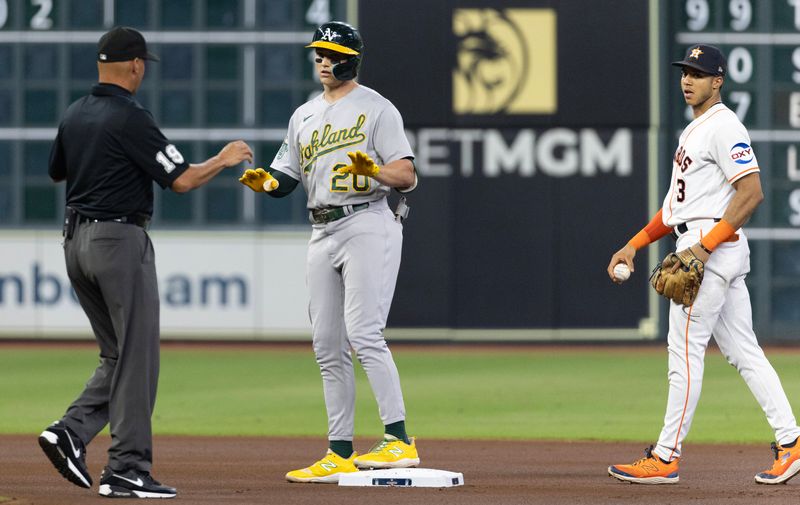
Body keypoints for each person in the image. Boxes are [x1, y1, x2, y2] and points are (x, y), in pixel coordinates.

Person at [40, 26, 253, 498]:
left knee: (117, 354)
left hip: (75, 242)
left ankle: (70, 431)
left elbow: (57, 171)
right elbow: (179, 179)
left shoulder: (75, 113)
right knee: (138, 358)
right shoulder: (130, 116)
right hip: (118, 240)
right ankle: (126, 468)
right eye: (142, 65)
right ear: (135, 65)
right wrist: (223, 158)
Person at [606, 44, 800, 485]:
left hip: (710, 245)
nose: (688, 79)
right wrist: (634, 244)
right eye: (685, 72)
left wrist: (704, 248)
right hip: (706, 241)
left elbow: (751, 193)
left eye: (699, 73)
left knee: (685, 353)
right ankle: (792, 442)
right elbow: (674, 209)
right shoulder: (693, 130)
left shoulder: (724, 126)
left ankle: (666, 456)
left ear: (718, 81)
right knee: (744, 351)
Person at [239, 21, 419, 484]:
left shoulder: (377, 108)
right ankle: (339, 449)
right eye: (317, 52)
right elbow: (286, 180)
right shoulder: (303, 115)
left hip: (367, 221)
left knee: (364, 333)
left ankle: (399, 439)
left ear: (350, 58)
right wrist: (267, 183)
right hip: (321, 229)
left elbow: (407, 176)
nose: (321, 59)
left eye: (329, 52)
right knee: (326, 345)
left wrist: (376, 170)